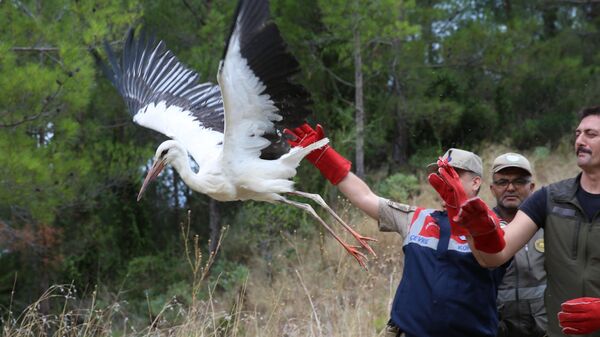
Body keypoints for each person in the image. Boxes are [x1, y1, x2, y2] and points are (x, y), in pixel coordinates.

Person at [286, 124, 506, 337]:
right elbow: (365, 196)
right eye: (441, 174)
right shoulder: (416, 218)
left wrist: (466, 213)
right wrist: (324, 157)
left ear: (476, 182)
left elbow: (503, 257)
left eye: (454, 174)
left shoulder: (497, 228)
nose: (446, 180)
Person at [434, 106, 600, 336]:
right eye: (577, 134)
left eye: (591, 134)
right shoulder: (550, 199)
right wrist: (476, 229)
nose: (580, 140)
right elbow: (494, 257)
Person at [490, 153, 547, 337]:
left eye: (519, 181)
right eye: (502, 182)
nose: (511, 188)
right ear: (492, 188)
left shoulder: (550, 225)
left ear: (532, 187)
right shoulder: (481, 228)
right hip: (497, 329)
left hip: (543, 329)